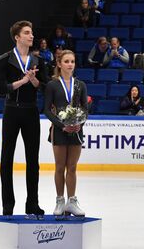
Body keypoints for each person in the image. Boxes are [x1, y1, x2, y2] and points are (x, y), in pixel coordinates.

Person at [0, 20, 48, 218]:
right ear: (17, 37)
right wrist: (21, 82)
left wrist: (34, 81)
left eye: (31, 32)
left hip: (31, 112)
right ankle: (8, 204)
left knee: (33, 160)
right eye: (27, 32)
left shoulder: (37, 61)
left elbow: (46, 87)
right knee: (6, 159)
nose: (31, 35)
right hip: (11, 112)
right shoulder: (5, 59)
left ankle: (32, 203)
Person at [43, 50, 87, 218]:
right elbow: (47, 110)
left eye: (73, 61)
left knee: (73, 167)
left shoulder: (80, 85)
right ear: (59, 64)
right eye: (67, 61)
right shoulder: (52, 85)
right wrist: (62, 125)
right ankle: (60, 201)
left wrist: (79, 123)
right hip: (60, 130)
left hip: (76, 131)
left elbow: (85, 108)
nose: (70, 64)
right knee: (60, 167)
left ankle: (72, 202)